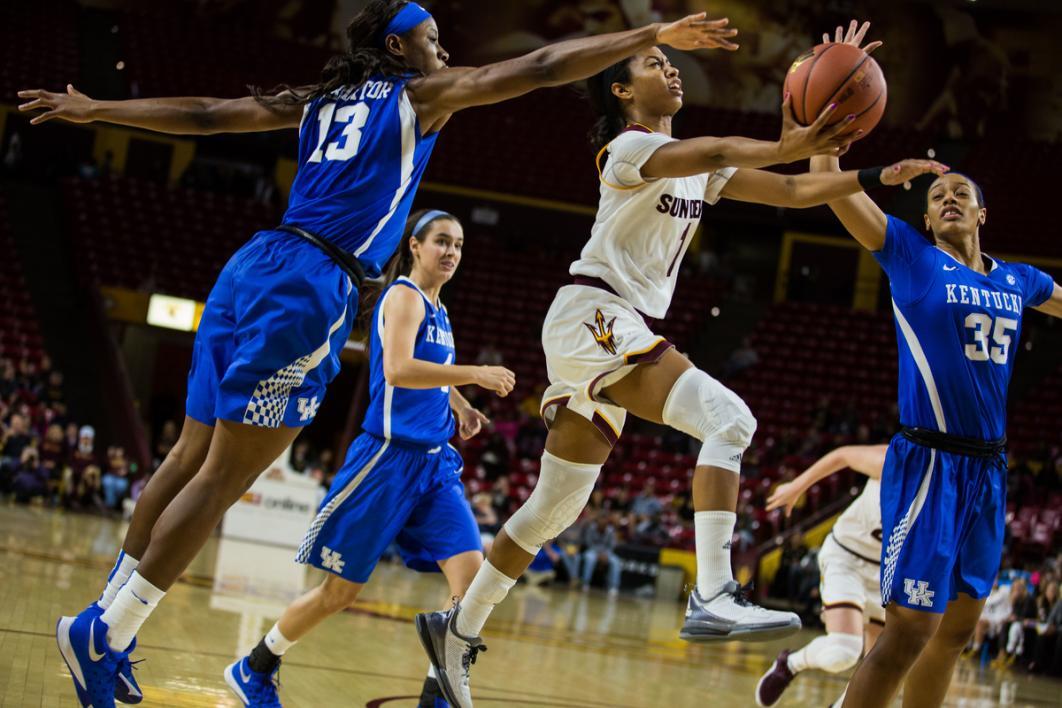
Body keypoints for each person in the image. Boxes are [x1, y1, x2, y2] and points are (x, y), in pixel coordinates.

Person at [22, 3, 744, 705]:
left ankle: (106, 622)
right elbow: (543, 65)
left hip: (252, 262)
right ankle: (106, 630)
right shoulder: (420, 96)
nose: (446, 53)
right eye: (433, 40)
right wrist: (650, 30)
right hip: (311, 284)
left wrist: (100, 110)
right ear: (399, 50)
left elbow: (210, 115)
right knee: (218, 478)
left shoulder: (321, 97)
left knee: (186, 456)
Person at [415, 19, 947, 707]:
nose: (668, 71)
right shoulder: (628, 147)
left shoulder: (701, 165)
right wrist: (788, 141)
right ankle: (714, 590)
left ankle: (457, 631)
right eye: (652, 62)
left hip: (609, 327)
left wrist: (873, 173)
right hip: (592, 314)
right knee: (731, 420)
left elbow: (788, 193)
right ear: (621, 89)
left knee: (554, 507)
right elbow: (719, 145)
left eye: (669, 63)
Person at [807, 22, 1062, 708]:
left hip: (989, 468)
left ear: (982, 212)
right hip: (928, 461)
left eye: (960, 194)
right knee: (907, 628)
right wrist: (825, 126)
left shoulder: (1022, 281)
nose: (946, 198)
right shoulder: (910, 258)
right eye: (935, 198)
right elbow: (829, 191)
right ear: (925, 221)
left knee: (956, 631)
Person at [225, 210, 510, 707]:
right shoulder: (403, 297)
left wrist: (460, 405)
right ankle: (256, 666)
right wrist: (475, 375)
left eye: (459, 245)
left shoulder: (440, 311)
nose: (451, 253)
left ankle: (434, 696)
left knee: (471, 582)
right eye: (441, 241)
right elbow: (399, 370)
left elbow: (433, 371)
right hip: (386, 460)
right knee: (339, 594)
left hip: (434, 465)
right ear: (415, 246)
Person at [755, 444, 888, 707]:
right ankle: (790, 664)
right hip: (848, 556)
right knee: (842, 652)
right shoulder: (891, 460)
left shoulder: (954, 486)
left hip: (889, 572)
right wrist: (797, 486)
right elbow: (843, 455)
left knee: (880, 669)